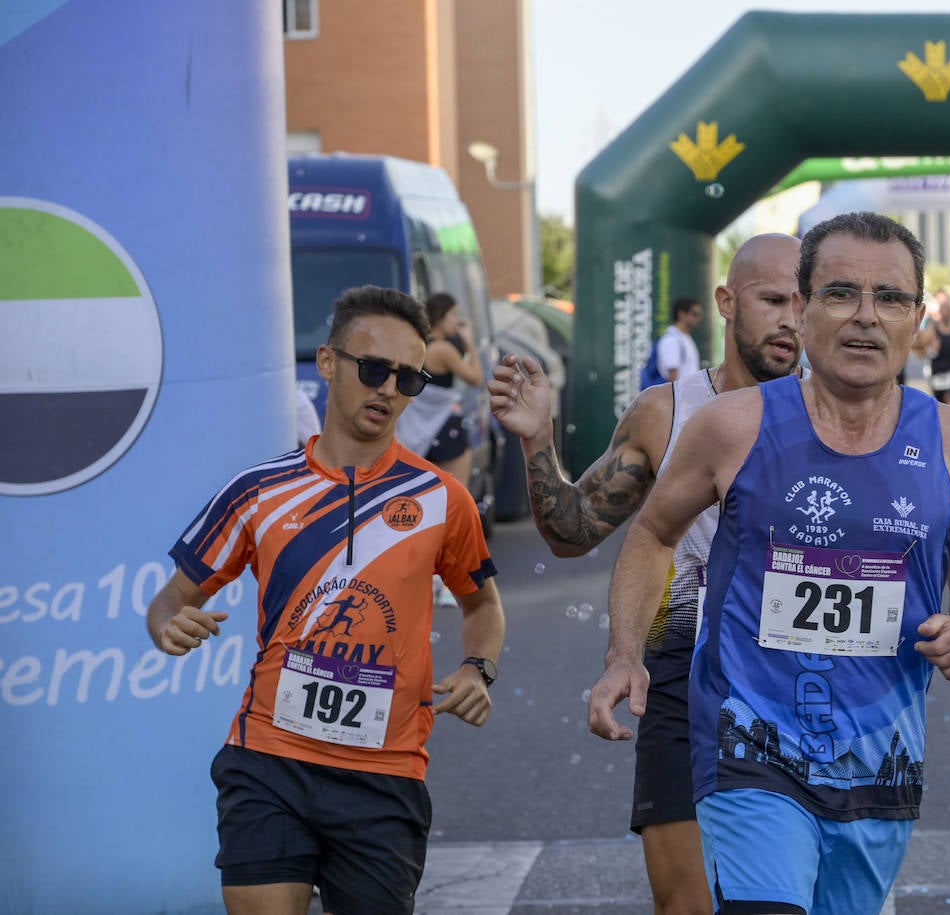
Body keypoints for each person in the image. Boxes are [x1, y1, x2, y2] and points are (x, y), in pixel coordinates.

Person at [587, 212, 950, 914]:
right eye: (841, 293)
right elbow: (654, 532)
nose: (866, 318)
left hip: (879, 757)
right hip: (748, 744)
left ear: (917, 319)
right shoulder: (732, 425)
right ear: (805, 308)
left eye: (891, 299)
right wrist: (626, 651)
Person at [145, 285, 506, 915]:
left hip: (385, 774)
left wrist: (479, 667)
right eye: (373, 369)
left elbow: (483, 606)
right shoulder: (257, 492)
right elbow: (170, 600)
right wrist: (169, 626)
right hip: (269, 762)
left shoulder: (442, 499)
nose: (389, 389)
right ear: (330, 363)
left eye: (409, 379)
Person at [486, 233, 803, 915]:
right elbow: (574, 529)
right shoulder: (668, 412)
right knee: (686, 902)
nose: (790, 319)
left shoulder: (840, 414)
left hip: (804, 682)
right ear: (726, 301)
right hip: (687, 673)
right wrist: (539, 440)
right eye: (774, 298)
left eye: (806, 303)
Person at [396, 292, 485, 492]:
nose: (457, 321)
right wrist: (469, 342)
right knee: (455, 492)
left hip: (415, 428)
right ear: (441, 316)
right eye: (454, 314)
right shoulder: (443, 349)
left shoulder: (417, 345)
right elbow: (476, 378)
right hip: (443, 427)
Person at [915, 288, 950, 407]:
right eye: (941, 303)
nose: (944, 306)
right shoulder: (931, 327)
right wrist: (930, 349)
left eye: (946, 303)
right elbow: (917, 347)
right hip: (937, 370)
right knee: (940, 407)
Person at [657, 296, 704, 382]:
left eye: (699, 315)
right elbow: (672, 380)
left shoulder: (685, 337)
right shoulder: (671, 340)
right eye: (694, 314)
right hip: (680, 394)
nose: (698, 318)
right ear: (681, 314)